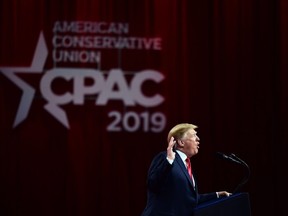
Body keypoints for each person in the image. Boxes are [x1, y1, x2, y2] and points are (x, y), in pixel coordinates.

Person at [141, 123, 231, 216]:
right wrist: (169, 161)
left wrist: (217, 195)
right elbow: (152, 183)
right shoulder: (165, 158)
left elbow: (191, 199)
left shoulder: (186, 166)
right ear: (181, 142)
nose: (198, 139)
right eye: (194, 135)